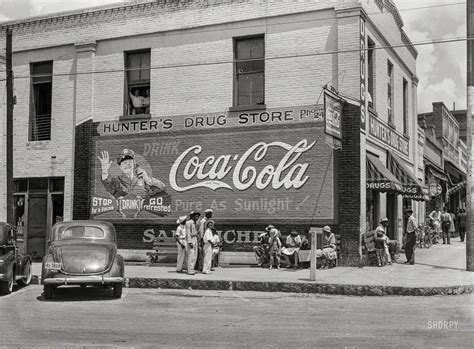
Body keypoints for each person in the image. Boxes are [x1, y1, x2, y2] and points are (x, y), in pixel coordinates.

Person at [98, 149, 166, 199]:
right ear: (120, 167)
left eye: (129, 162)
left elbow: (162, 187)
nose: (127, 164)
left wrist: (148, 180)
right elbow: (108, 184)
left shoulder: (142, 178)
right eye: (124, 163)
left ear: (134, 164)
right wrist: (104, 171)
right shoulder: (117, 181)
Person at [185, 211, 200, 275]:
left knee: (195, 255)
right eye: (196, 216)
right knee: (191, 255)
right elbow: (188, 233)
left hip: (195, 239)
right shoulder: (189, 223)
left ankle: (192, 269)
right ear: (193, 216)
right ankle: (189, 270)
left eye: (198, 217)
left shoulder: (195, 223)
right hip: (191, 239)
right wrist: (190, 242)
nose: (197, 217)